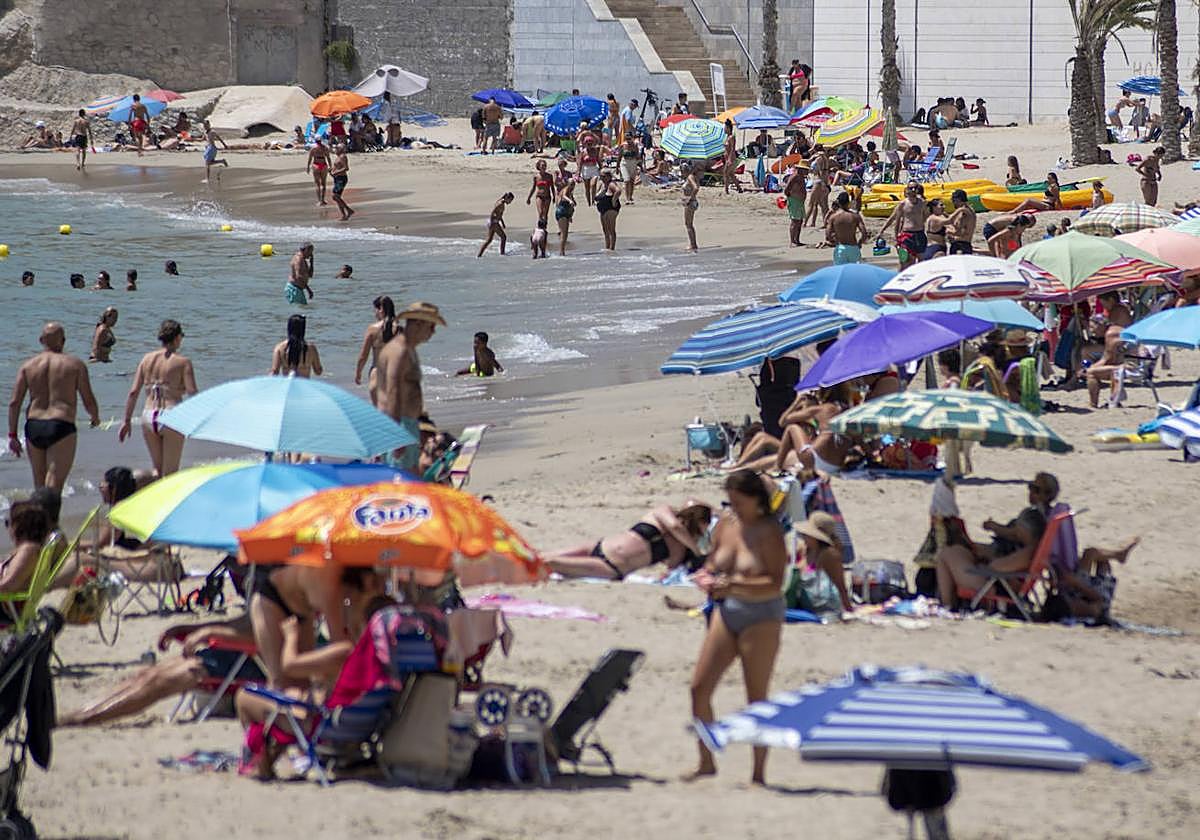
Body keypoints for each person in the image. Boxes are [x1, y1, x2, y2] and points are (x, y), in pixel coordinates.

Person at [687, 470, 786, 785]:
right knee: (699, 688)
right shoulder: (726, 525)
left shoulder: (770, 532)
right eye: (731, 502)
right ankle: (706, 762)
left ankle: (758, 774)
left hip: (762, 614)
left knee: (756, 697)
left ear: (757, 501)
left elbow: (775, 583)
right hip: (727, 610)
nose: (735, 509)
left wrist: (734, 585)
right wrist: (706, 576)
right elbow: (712, 563)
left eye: (740, 503)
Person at [247, 564, 383, 688]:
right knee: (281, 681)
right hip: (271, 601)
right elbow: (339, 642)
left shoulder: (348, 585)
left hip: (303, 610)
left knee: (304, 682)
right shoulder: (329, 585)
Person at [935, 473, 1058, 609]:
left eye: (1019, 527)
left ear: (1027, 531)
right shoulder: (1029, 546)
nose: (1015, 530)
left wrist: (986, 560)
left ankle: (947, 605)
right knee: (956, 550)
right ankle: (948, 603)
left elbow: (997, 567)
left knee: (946, 554)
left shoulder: (1027, 553)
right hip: (995, 580)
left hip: (991, 587)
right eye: (1030, 487)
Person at [7, 323, 100, 490]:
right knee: (54, 487)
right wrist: (95, 417)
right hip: (61, 425)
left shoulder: (28, 366)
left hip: (34, 425)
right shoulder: (75, 365)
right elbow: (88, 400)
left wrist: (13, 435)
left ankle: (38, 508)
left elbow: (14, 402)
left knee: (39, 485)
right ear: (63, 341)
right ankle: (51, 508)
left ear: (41, 340)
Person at [546, 503, 712, 580]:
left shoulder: (680, 548)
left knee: (551, 563)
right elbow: (675, 526)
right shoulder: (665, 511)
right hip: (600, 546)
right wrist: (696, 550)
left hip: (612, 567)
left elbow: (671, 570)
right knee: (544, 556)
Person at [118, 319, 197, 477]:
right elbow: (192, 393)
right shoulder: (183, 362)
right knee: (170, 474)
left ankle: (135, 483)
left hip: (148, 416)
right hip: (172, 415)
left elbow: (133, 392)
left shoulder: (146, 359)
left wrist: (126, 421)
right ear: (177, 337)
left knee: (158, 471)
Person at [376, 302, 445, 469]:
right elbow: (392, 392)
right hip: (399, 425)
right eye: (431, 326)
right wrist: (397, 435)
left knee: (411, 475)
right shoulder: (399, 351)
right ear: (419, 323)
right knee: (402, 478)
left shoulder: (409, 349)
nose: (433, 332)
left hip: (407, 423)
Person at [795, 512, 853, 613]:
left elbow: (840, 585)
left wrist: (848, 609)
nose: (804, 536)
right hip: (802, 602)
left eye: (807, 534)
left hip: (822, 606)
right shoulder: (804, 549)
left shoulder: (829, 555)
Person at [1, 502, 52, 613]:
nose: (7, 528)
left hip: (6, 610)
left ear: (19, 525)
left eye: (8, 523)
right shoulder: (32, 549)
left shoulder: (28, 550)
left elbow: (7, 585)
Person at [1085, 292, 1134, 408]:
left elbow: (1108, 359)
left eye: (1104, 304)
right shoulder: (1125, 331)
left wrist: (1091, 368)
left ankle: (1093, 404)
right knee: (1086, 354)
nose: (1105, 309)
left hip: (1127, 366)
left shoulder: (1113, 334)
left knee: (1090, 372)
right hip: (1130, 362)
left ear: (1111, 300)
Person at [354, 296, 396, 404]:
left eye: (375, 310)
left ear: (380, 309)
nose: (375, 314)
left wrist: (358, 374)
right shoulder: (400, 329)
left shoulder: (373, 329)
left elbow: (363, 356)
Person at [880, 182, 928, 268]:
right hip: (907, 235)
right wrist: (895, 237)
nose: (913, 190)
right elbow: (896, 221)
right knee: (907, 261)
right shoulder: (903, 204)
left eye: (915, 188)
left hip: (920, 234)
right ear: (907, 190)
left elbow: (926, 217)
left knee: (922, 261)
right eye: (911, 188)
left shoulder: (922, 203)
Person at [825, 191, 868, 264]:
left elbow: (828, 234)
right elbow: (864, 233)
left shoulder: (833, 217)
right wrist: (860, 242)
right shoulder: (855, 216)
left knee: (840, 269)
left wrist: (834, 241)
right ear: (848, 203)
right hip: (853, 247)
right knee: (855, 270)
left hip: (840, 247)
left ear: (838, 203)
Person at [477, 193, 514, 257]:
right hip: (493, 222)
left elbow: (499, 214)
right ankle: (502, 254)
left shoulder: (501, 201)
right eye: (510, 200)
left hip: (493, 222)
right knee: (503, 237)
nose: (510, 202)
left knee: (489, 240)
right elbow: (493, 212)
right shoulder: (500, 204)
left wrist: (502, 223)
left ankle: (479, 255)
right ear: (507, 198)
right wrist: (492, 223)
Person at [944, 188, 977, 254]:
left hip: (962, 245)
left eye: (953, 200)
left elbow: (963, 232)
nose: (953, 202)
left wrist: (949, 232)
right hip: (960, 243)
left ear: (958, 199)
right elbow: (957, 224)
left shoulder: (965, 211)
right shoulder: (965, 210)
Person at [554, 163, 576, 257]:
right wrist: (570, 201)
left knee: (565, 233)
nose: (572, 186)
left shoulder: (570, 192)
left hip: (567, 213)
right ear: (567, 184)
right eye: (571, 184)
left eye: (573, 184)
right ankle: (561, 252)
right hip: (562, 212)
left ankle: (562, 251)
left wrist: (571, 213)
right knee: (564, 233)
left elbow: (572, 203)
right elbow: (563, 196)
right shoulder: (565, 189)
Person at [783, 164, 808, 246]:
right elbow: (787, 188)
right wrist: (790, 196)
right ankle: (792, 241)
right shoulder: (795, 177)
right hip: (794, 200)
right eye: (805, 169)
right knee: (795, 221)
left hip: (799, 201)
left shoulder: (801, 177)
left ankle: (797, 240)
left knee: (799, 221)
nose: (807, 171)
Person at [596, 170, 621, 251]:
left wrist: (614, 200)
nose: (602, 178)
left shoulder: (611, 184)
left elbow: (618, 191)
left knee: (611, 229)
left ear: (609, 176)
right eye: (601, 176)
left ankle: (612, 248)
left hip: (611, 208)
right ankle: (607, 247)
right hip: (602, 209)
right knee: (605, 230)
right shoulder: (601, 184)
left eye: (604, 176)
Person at [329, 143, 354, 221]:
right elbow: (337, 167)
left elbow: (346, 168)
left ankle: (348, 210)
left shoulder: (343, 156)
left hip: (341, 178)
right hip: (337, 178)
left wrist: (336, 172)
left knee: (335, 196)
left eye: (337, 148)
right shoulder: (338, 157)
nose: (335, 149)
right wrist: (331, 171)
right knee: (337, 197)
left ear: (341, 149)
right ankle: (344, 214)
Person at [681, 162, 701, 252]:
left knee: (688, 224)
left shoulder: (690, 177)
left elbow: (696, 188)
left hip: (691, 203)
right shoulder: (693, 177)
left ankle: (693, 244)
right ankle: (693, 244)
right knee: (689, 224)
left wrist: (690, 198)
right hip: (691, 202)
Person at [526, 160, 553, 224]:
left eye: (545, 165)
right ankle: (540, 227)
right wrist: (529, 198)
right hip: (539, 196)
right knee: (540, 213)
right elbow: (533, 188)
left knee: (545, 214)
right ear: (539, 166)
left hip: (547, 196)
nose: (544, 167)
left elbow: (552, 187)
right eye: (542, 165)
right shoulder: (536, 177)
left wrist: (554, 196)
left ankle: (544, 227)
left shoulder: (549, 176)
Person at [306, 138, 330, 206]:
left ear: (316, 141)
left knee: (317, 184)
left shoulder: (313, 149)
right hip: (323, 165)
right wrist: (330, 166)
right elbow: (328, 157)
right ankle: (323, 199)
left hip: (316, 165)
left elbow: (310, 158)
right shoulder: (325, 148)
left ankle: (319, 201)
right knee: (323, 183)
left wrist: (308, 167)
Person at [619, 133, 641, 204]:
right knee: (626, 180)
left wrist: (640, 165)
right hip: (624, 163)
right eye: (626, 139)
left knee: (631, 181)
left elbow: (638, 155)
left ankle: (630, 196)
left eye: (629, 139)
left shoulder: (635, 145)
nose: (628, 140)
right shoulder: (623, 145)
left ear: (632, 138)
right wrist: (617, 167)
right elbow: (619, 156)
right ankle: (627, 198)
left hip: (633, 163)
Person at [722, 120, 742, 195]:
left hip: (731, 158)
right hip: (727, 158)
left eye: (725, 128)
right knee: (731, 174)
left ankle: (726, 190)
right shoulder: (727, 137)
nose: (724, 129)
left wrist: (730, 159)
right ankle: (739, 188)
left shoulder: (731, 137)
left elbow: (733, 149)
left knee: (725, 173)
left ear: (728, 128)